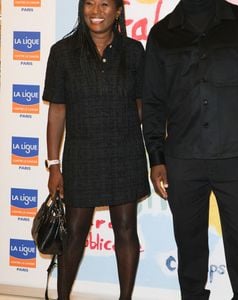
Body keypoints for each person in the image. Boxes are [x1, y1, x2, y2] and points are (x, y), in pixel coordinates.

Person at [142, 0, 238, 299]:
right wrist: (156, 157)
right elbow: (152, 103)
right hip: (182, 159)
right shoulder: (162, 34)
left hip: (235, 156)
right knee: (189, 243)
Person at [43, 0, 150, 299]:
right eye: (89, 3)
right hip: (82, 155)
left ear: (117, 11)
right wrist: (54, 165)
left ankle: (125, 297)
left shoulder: (133, 52)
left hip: (125, 153)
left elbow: (143, 105)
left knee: (126, 229)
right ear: (81, 8)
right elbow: (57, 112)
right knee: (75, 231)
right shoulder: (62, 53)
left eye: (105, 4)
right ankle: (63, 297)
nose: (96, 11)